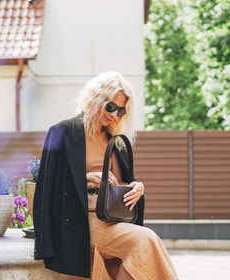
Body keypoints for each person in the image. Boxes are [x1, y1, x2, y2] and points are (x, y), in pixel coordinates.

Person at [33, 72, 178, 279]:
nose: (114, 115)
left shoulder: (116, 142)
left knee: (142, 250)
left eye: (121, 111)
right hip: (81, 220)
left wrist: (137, 188)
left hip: (112, 217)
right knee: (145, 240)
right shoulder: (63, 132)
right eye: (111, 106)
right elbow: (46, 190)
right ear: (96, 97)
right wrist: (85, 178)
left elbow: (120, 184)